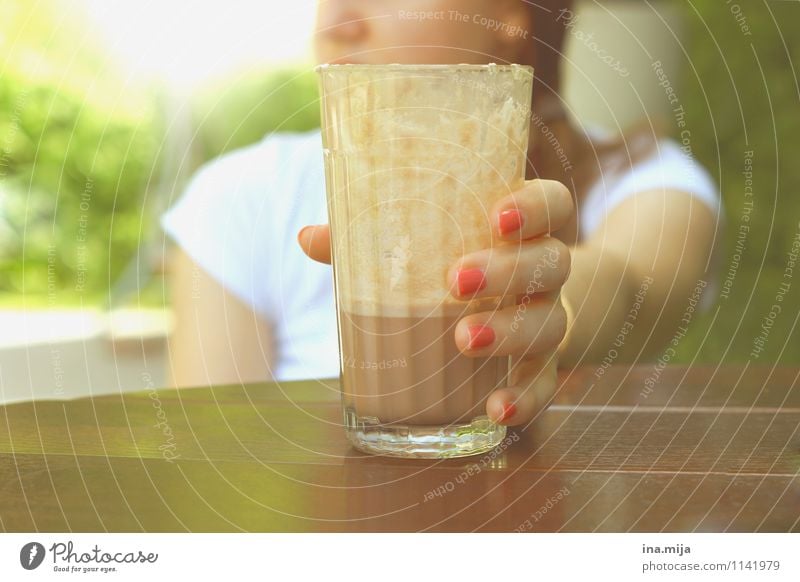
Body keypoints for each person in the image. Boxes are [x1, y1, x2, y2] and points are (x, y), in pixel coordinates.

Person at [161, 0, 723, 427]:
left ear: (507, 16)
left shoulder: (647, 180)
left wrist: (545, 307)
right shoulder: (245, 193)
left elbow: (630, 288)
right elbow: (212, 437)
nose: (337, 21)